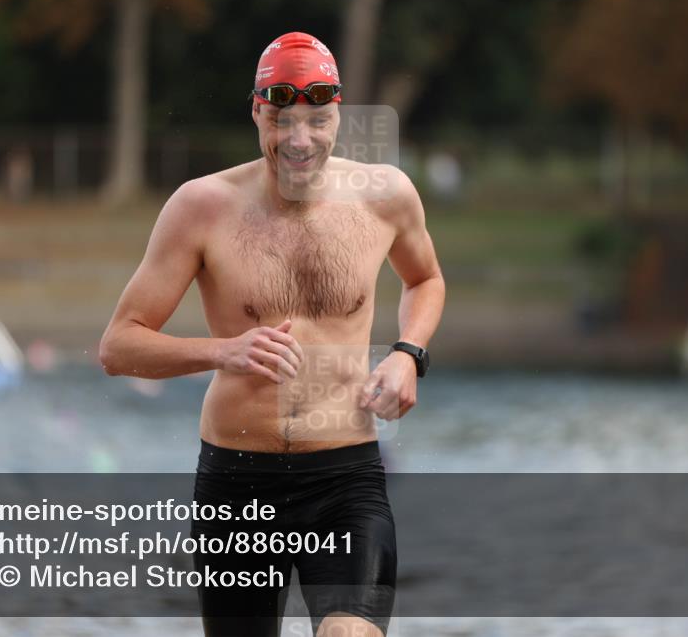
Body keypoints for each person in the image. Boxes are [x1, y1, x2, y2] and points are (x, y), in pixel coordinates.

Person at [100, 32, 445, 637]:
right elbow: (119, 345)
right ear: (257, 111)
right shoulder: (201, 207)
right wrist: (224, 350)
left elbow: (427, 279)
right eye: (282, 121)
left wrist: (408, 354)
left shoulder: (385, 196)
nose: (300, 140)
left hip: (345, 477)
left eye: (317, 120)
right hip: (236, 482)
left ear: (339, 115)